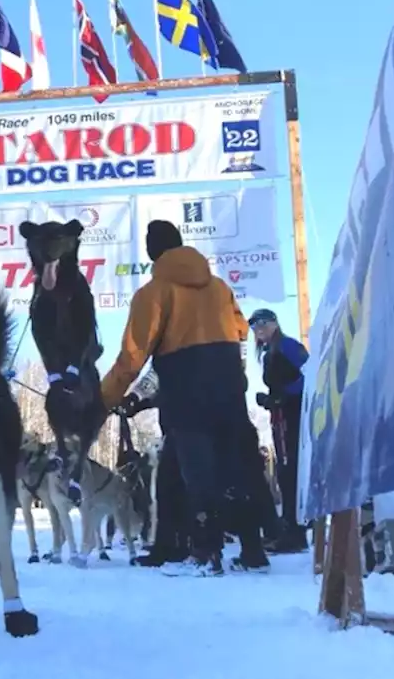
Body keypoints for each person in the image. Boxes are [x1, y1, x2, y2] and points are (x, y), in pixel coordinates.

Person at [99, 221, 269, 576]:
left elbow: (133, 355)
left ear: (152, 251)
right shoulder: (220, 287)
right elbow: (239, 330)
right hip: (227, 386)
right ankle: (246, 550)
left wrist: (104, 398)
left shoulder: (154, 293)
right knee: (213, 470)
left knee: (198, 473)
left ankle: (206, 554)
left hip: (186, 390)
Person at [249, 308, 310, 554]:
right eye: (255, 326)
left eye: (264, 323)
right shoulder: (268, 353)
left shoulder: (288, 347)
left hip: (294, 417)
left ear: (275, 323)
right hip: (281, 417)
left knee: (290, 470)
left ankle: (295, 532)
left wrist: (284, 396)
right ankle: (289, 527)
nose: (260, 329)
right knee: (285, 472)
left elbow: (310, 374)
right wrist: (271, 399)